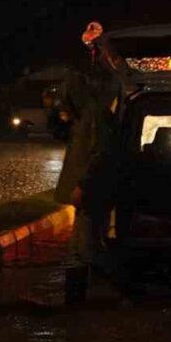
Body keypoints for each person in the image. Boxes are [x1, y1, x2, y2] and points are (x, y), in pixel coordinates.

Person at [53, 65, 119, 304]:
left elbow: (99, 154)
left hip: (92, 194)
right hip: (90, 193)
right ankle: (84, 296)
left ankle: (80, 300)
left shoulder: (95, 116)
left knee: (83, 249)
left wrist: (82, 185)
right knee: (83, 248)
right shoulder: (85, 117)